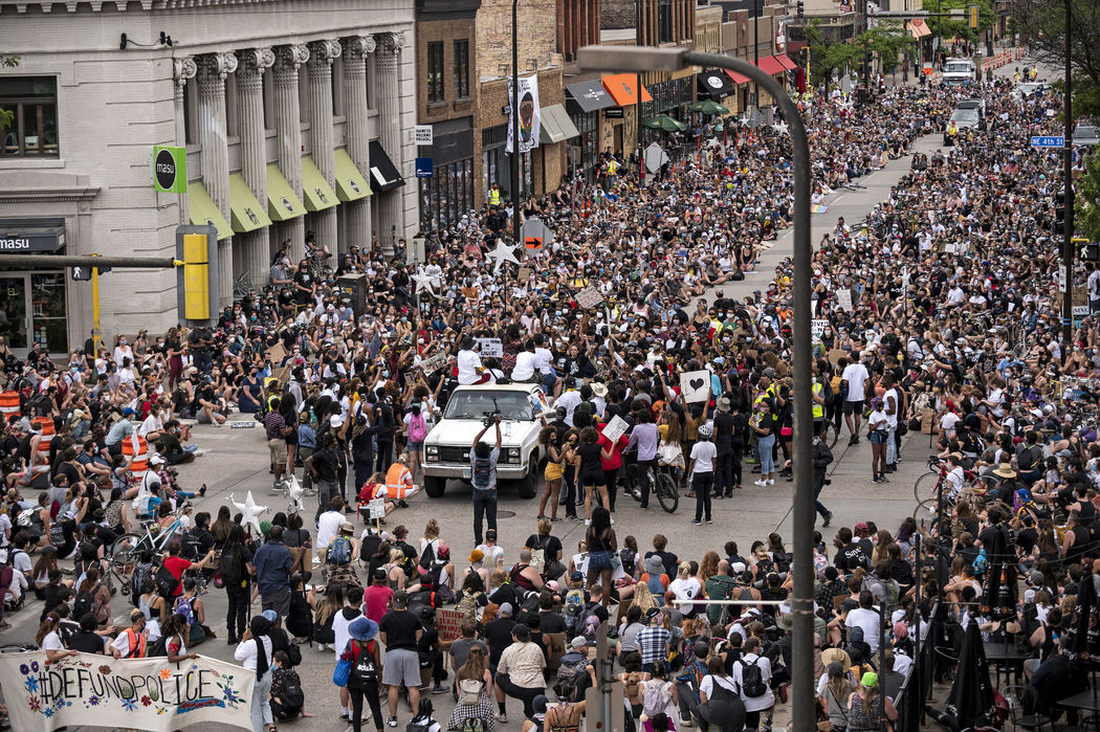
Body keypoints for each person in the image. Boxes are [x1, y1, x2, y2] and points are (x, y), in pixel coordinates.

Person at [379, 590, 423, 728]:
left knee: (393, 686)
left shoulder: (386, 618)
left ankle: (393, 717)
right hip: (410, 652)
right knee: (413, 685)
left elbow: (383, 637)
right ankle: (416, 717)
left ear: (393, 601)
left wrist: (392, 644)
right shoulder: (414, 617)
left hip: (393, 652)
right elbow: (419, 635)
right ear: (406, 601)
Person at [494, 623, 546, 723]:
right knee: (531, 717)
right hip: (537, 687)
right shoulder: (536, 647)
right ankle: (530, 716)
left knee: (497, 678)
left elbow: (500, 671)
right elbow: (542, 668)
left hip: (517, 686)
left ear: (515, 636)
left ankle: (502, 713)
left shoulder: (508, 650)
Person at [341, 615, 384, 732]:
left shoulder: (351, 643)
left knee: (357, 709)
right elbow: (377, 665)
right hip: (370, 681)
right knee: (376, 709)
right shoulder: (374, 644)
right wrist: (380, 681)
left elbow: (346, 661)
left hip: (354, 680)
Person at [234, 615, 276, 732]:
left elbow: (238, 656)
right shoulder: (268, 639)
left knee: (255, 709)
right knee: (264, 702)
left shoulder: (250, 644)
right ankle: (271, 725)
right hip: (266, 675)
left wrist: (243, 640)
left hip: (253, 677)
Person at [448, 644, 496, 731]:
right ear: (482, 658)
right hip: (480, 703)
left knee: (460, 704)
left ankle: (467, 721)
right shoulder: (486, 672)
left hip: (465, 702)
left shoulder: (460, 671)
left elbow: (459, 693)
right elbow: (488, 694)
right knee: (487, 704)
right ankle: (480, 721)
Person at [470, 415, 502, 545]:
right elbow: (499, 442)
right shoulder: (492, 458)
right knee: (491, 517)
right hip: (491, 490)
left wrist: (486, 427)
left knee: (478, 518)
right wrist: (497, 425)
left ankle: (478, 541)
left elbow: (475, 440)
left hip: (477, 490)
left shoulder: (473, 458)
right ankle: (492, 540)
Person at [253, 525, 295, 617]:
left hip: (265, 587)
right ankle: (276, 630)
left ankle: (267, 629)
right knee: (277, 615)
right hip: (279, 587)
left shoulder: (260, 550)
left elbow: (254, 568)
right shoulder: (284, 552)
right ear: (281, 536)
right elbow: (291, 568)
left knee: (266, 614)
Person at [689, 424, 717, 526]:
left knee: (699, 497)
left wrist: (689, 473)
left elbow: (692, 461)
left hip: (699, 472)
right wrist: (713, 472)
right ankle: (708, 517)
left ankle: (698, 519)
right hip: (709, 472)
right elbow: (714, 461)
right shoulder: (713, 446)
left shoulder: (696, 446)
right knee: (707, 496)